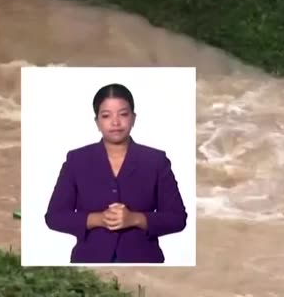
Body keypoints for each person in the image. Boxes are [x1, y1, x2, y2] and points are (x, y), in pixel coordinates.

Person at [43, 83, 187, 264]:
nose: (116, 122)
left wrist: (135, 219)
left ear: (133, 118)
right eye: (106, 116)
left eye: (123, 114)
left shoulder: (156, 161)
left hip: (144, 262)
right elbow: (54, 217)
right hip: (89, 262)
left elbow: (177, 218)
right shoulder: (77, 160)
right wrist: (98, 219)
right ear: (97, 122)